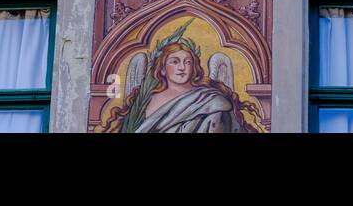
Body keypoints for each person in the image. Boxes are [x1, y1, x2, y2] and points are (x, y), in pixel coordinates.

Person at [102, 29, 261, 133]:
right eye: (175, 61)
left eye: (187, 62)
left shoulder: (210, 100)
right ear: (162, 69)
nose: (182, 67)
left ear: (194, 68)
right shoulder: (145, 100)